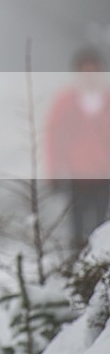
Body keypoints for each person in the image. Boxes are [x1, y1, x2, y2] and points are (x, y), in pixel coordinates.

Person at [45, 47, 110, 251]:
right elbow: (54, 138)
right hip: (77, 174)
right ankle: (78, 261)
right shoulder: (65, 101)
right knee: (78, 226)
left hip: (105, 174)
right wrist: (54, 171)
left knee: (104, 226)